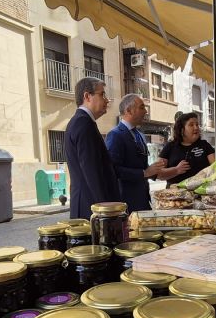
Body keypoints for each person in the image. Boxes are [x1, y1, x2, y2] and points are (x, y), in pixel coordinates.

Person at [64, 77, 120, 220]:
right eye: (102, 94)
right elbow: (92, 171)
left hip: (88, 204)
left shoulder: (82, 122)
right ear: (87, 96)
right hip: (91, 207)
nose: (106, 100)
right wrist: (106, 210)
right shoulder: (83, 124)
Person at [106, 94, 166, 211]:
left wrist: (155, 169)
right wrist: (144, 173)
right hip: (126, 203)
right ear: (129, 110)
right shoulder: (115, 135)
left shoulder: (140, 135)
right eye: (142, 107)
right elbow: (113, 170)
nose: (146, 111)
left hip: (143, 200)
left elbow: (142, 166)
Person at [157, 112, 215, 186]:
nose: (196, 127)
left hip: (202, 192)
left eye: (197, 124)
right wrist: (176, 170)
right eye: (191, 125)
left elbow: (215, 168)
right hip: (175, 194)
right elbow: (158, 174)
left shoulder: (205, 145)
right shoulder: (170, 146)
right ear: (181, 130)